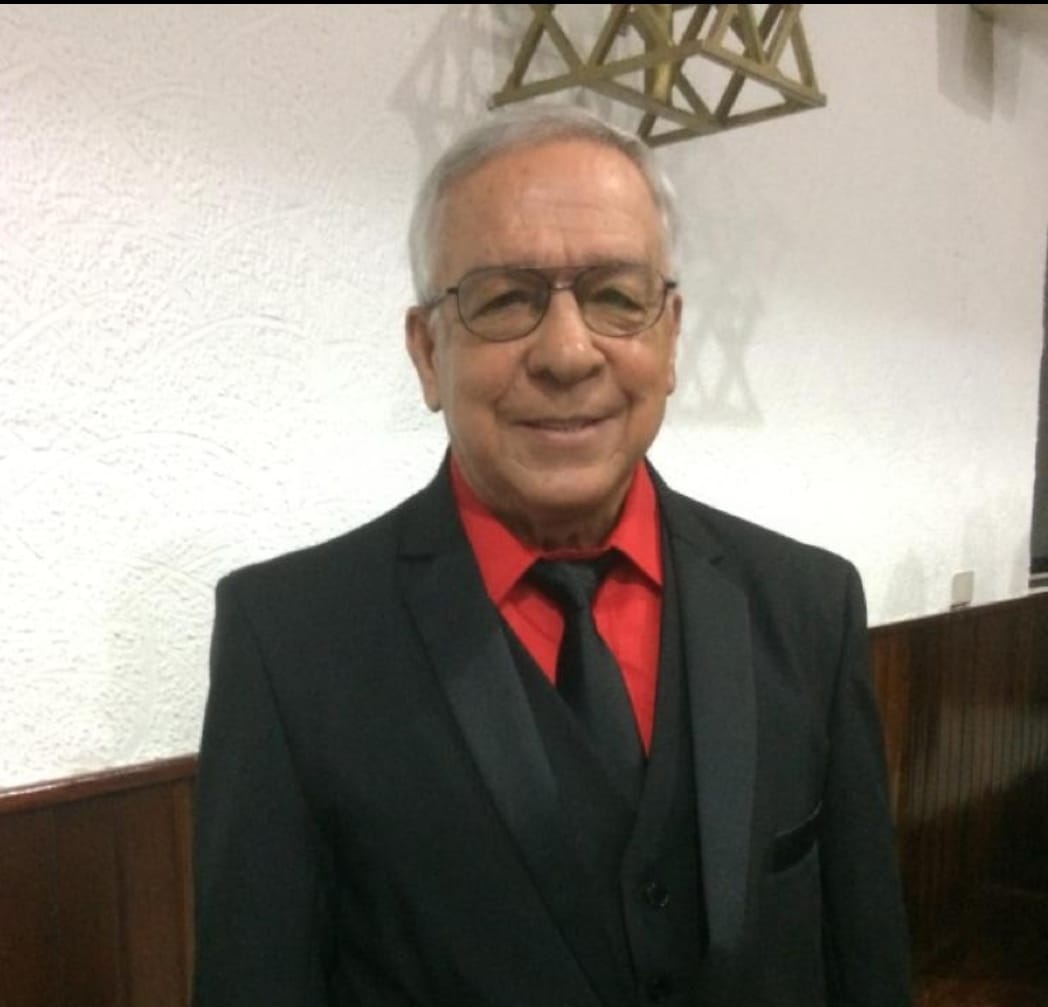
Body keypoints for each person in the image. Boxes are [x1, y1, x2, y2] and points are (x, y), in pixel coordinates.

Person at [193, 106, 912, 1007]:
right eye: (504, 298)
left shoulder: (811, 606)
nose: (569, 353)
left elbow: (865, 961)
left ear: (670, 335)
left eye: (616, 295)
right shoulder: (288, 642)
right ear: (427, 352)